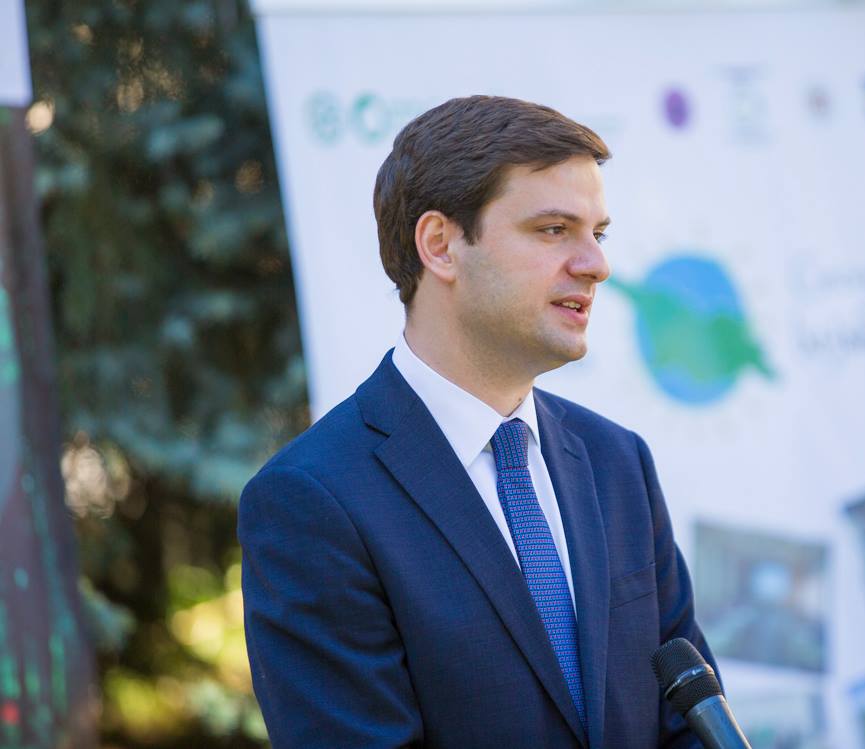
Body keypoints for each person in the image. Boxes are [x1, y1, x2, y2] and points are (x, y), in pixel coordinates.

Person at [238, 95, 716, 749]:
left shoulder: (618, 462)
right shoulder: (311, 500)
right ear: (440, 246)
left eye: (597, 234)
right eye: (554, 229)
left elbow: (689, 723)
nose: (596, 265)